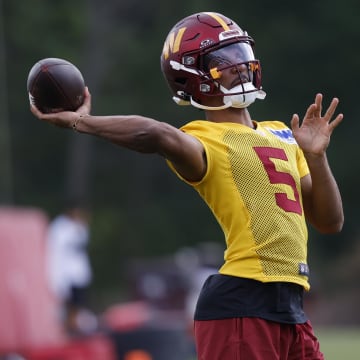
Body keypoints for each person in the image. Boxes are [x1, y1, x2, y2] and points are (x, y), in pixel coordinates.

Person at [31, 12, 344, 360]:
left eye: (241, 55)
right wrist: (82, 121)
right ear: (192, 77)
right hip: (243, 303)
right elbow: (154, 133)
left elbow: (330, 222)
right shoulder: (201, 139)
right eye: (224, 61)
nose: (240, 66)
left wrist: (317, 157)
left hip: (292, 307)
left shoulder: (283, 133)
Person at [46, 204, 95, 336]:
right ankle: (66, 330)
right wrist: (56, 277)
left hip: (78, 274)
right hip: (64, 274)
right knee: (66, 305)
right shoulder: (59, 228)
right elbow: (55, 253)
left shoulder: (81, 228)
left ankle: (74, 328)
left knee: (78, 304)